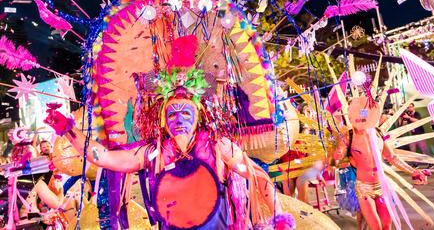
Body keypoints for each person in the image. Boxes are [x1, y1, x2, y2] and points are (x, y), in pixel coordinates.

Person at [45, 75, 285, 230]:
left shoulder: (217, 146)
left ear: (198, 117)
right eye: (172, 113)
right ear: (163, 120)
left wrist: (281, 218)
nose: (179, 119)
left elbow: (257, 178)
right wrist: (69, 130)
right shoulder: (153, 153)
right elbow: (105, 158)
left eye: (186, 113)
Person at [333, 96, 428, 230]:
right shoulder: (348, 136)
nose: (362, 117)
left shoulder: (377, 133)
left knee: (386, 226)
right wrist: (337, 152)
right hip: (364, 188)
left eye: (364, 112)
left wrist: (413, 171)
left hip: (382, 185)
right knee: (376, 227)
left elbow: (392, 157)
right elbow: (338, 155)